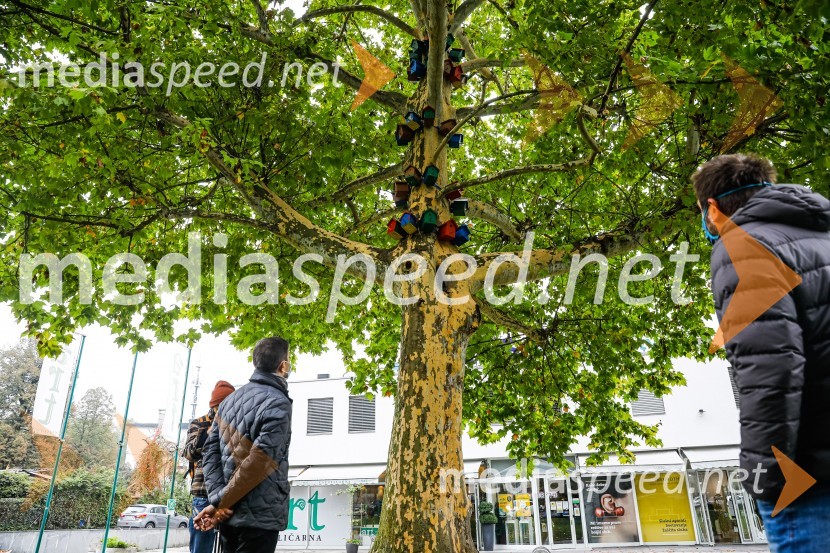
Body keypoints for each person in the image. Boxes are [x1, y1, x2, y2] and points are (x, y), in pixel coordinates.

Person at [693, 153, 830, 552]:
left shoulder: (742, 246)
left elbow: (771, 372)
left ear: (713, 208)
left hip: (812, 479)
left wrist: (765, 482)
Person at [196, 337, 293, 553]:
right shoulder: (278, 402)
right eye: (289, 359)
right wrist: (220, 501)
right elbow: (260, 461)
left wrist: (218, 500)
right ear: (283, 365)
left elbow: (210, 454)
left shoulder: (229, 402)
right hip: (259, 514)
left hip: (228, 515)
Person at [182, 380, 236, 553]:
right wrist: (210, 431)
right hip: (203, 491)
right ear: (215, 405)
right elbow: (189, 453)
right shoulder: (199, 423)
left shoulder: (236, 425)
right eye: (222, 405)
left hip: (229, 493)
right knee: (201, 543)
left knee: (231, 542)